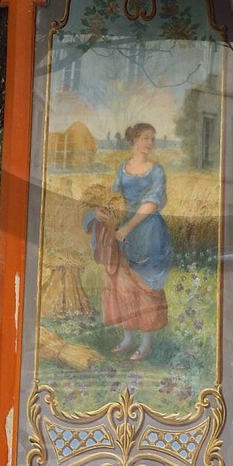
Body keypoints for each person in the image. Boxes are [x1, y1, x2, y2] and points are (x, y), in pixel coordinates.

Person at [84, 122, 174, 362]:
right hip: (122, 233)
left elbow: (152, 203)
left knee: (145, 287)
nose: (149, 143)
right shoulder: (122, 169)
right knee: (122, 285)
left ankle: (146, 344)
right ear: (134, 139)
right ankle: (127, 339)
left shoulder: (157, 171)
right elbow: (113, 197)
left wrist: (128, 227)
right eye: (145, 138)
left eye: (152, 138)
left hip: (148, 233)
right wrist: (103, 211)